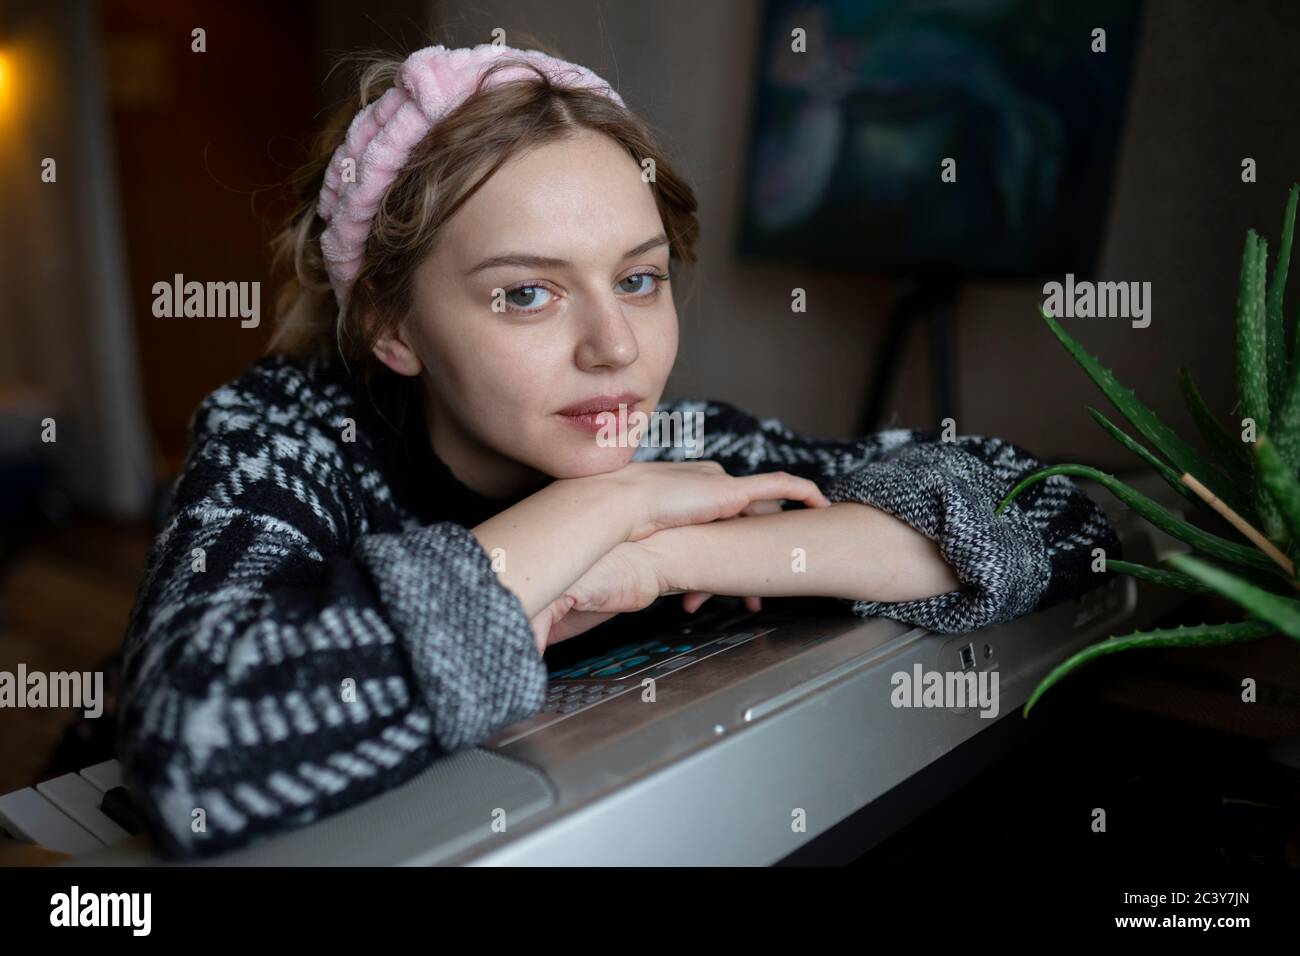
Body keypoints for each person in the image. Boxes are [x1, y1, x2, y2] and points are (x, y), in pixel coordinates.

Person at [116, 42, 1121, 859]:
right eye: (526, 292)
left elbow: (1062, 510)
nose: (617, 348)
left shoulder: (677, 440)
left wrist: (662, 553)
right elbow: (195, 742)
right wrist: (603, 507)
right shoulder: (287, 433)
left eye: (637, 280)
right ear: (393, 324)